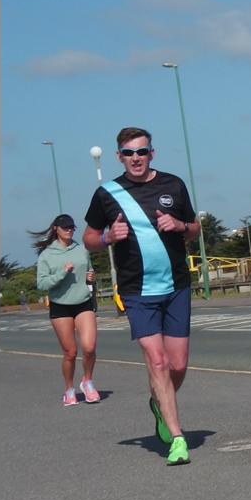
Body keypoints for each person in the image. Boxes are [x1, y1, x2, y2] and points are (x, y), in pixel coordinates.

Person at [83, 128, 200, 467]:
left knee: (177, 364)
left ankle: (158, 403)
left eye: (142, 151)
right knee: (158, 362)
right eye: (128, 152)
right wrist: (107, 237)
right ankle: (177, 438)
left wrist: (180, 226)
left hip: (176, 286)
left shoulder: (173, 185)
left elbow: (195, 229)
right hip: (137, 291)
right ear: (119, 156)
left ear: (152, 153)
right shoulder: (106, 194)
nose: (136, 157)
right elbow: (89, 238)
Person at [32, 214, 99, 406]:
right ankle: (69, 389)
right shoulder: (47, 254)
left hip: (83, 303)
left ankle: (87, 382)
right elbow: (42, 284)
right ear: (56, 229)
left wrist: (90, 278)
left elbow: (88, 273)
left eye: (71, 227)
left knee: (89, 347)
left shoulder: (81, 250)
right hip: (60, 306)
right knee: (70, 352)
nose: (69, 230)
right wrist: (62, 273)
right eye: (65, 227)